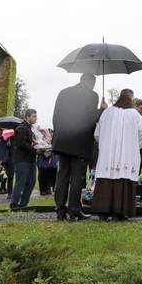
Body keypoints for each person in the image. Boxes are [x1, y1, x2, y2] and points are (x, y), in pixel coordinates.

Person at [52, 72, 105, 222]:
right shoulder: (92, 95)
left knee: (62, 176)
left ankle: (60, 210)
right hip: (80, 143)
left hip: (62, 141)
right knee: (77, 178)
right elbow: (90, 118)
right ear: (91, 82)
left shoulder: (63, 92)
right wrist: (101, 110)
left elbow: (55, 116)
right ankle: (74, 210)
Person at [92, 89, 142, 221]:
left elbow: (97, 134)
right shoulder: (134, 114)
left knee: (106, 178)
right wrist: (133, 147)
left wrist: (106, 145)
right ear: (131, 99)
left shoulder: (107, 113)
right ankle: (119, 213)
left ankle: (103, 213)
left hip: (108, 156)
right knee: (123, 176)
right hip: (126, 155)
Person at [10, 109, 40, 210]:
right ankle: (14, 204)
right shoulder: (21, 128)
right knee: (20, 182)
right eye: (34, 116)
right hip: (22, 160)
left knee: (31, 182)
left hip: (31, 160)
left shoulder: (31, 129)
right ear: (27, 117)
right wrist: (35, 150)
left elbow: (31, 143)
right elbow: (21, 144)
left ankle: (23, 204)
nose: (36, 118)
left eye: (36, 116)